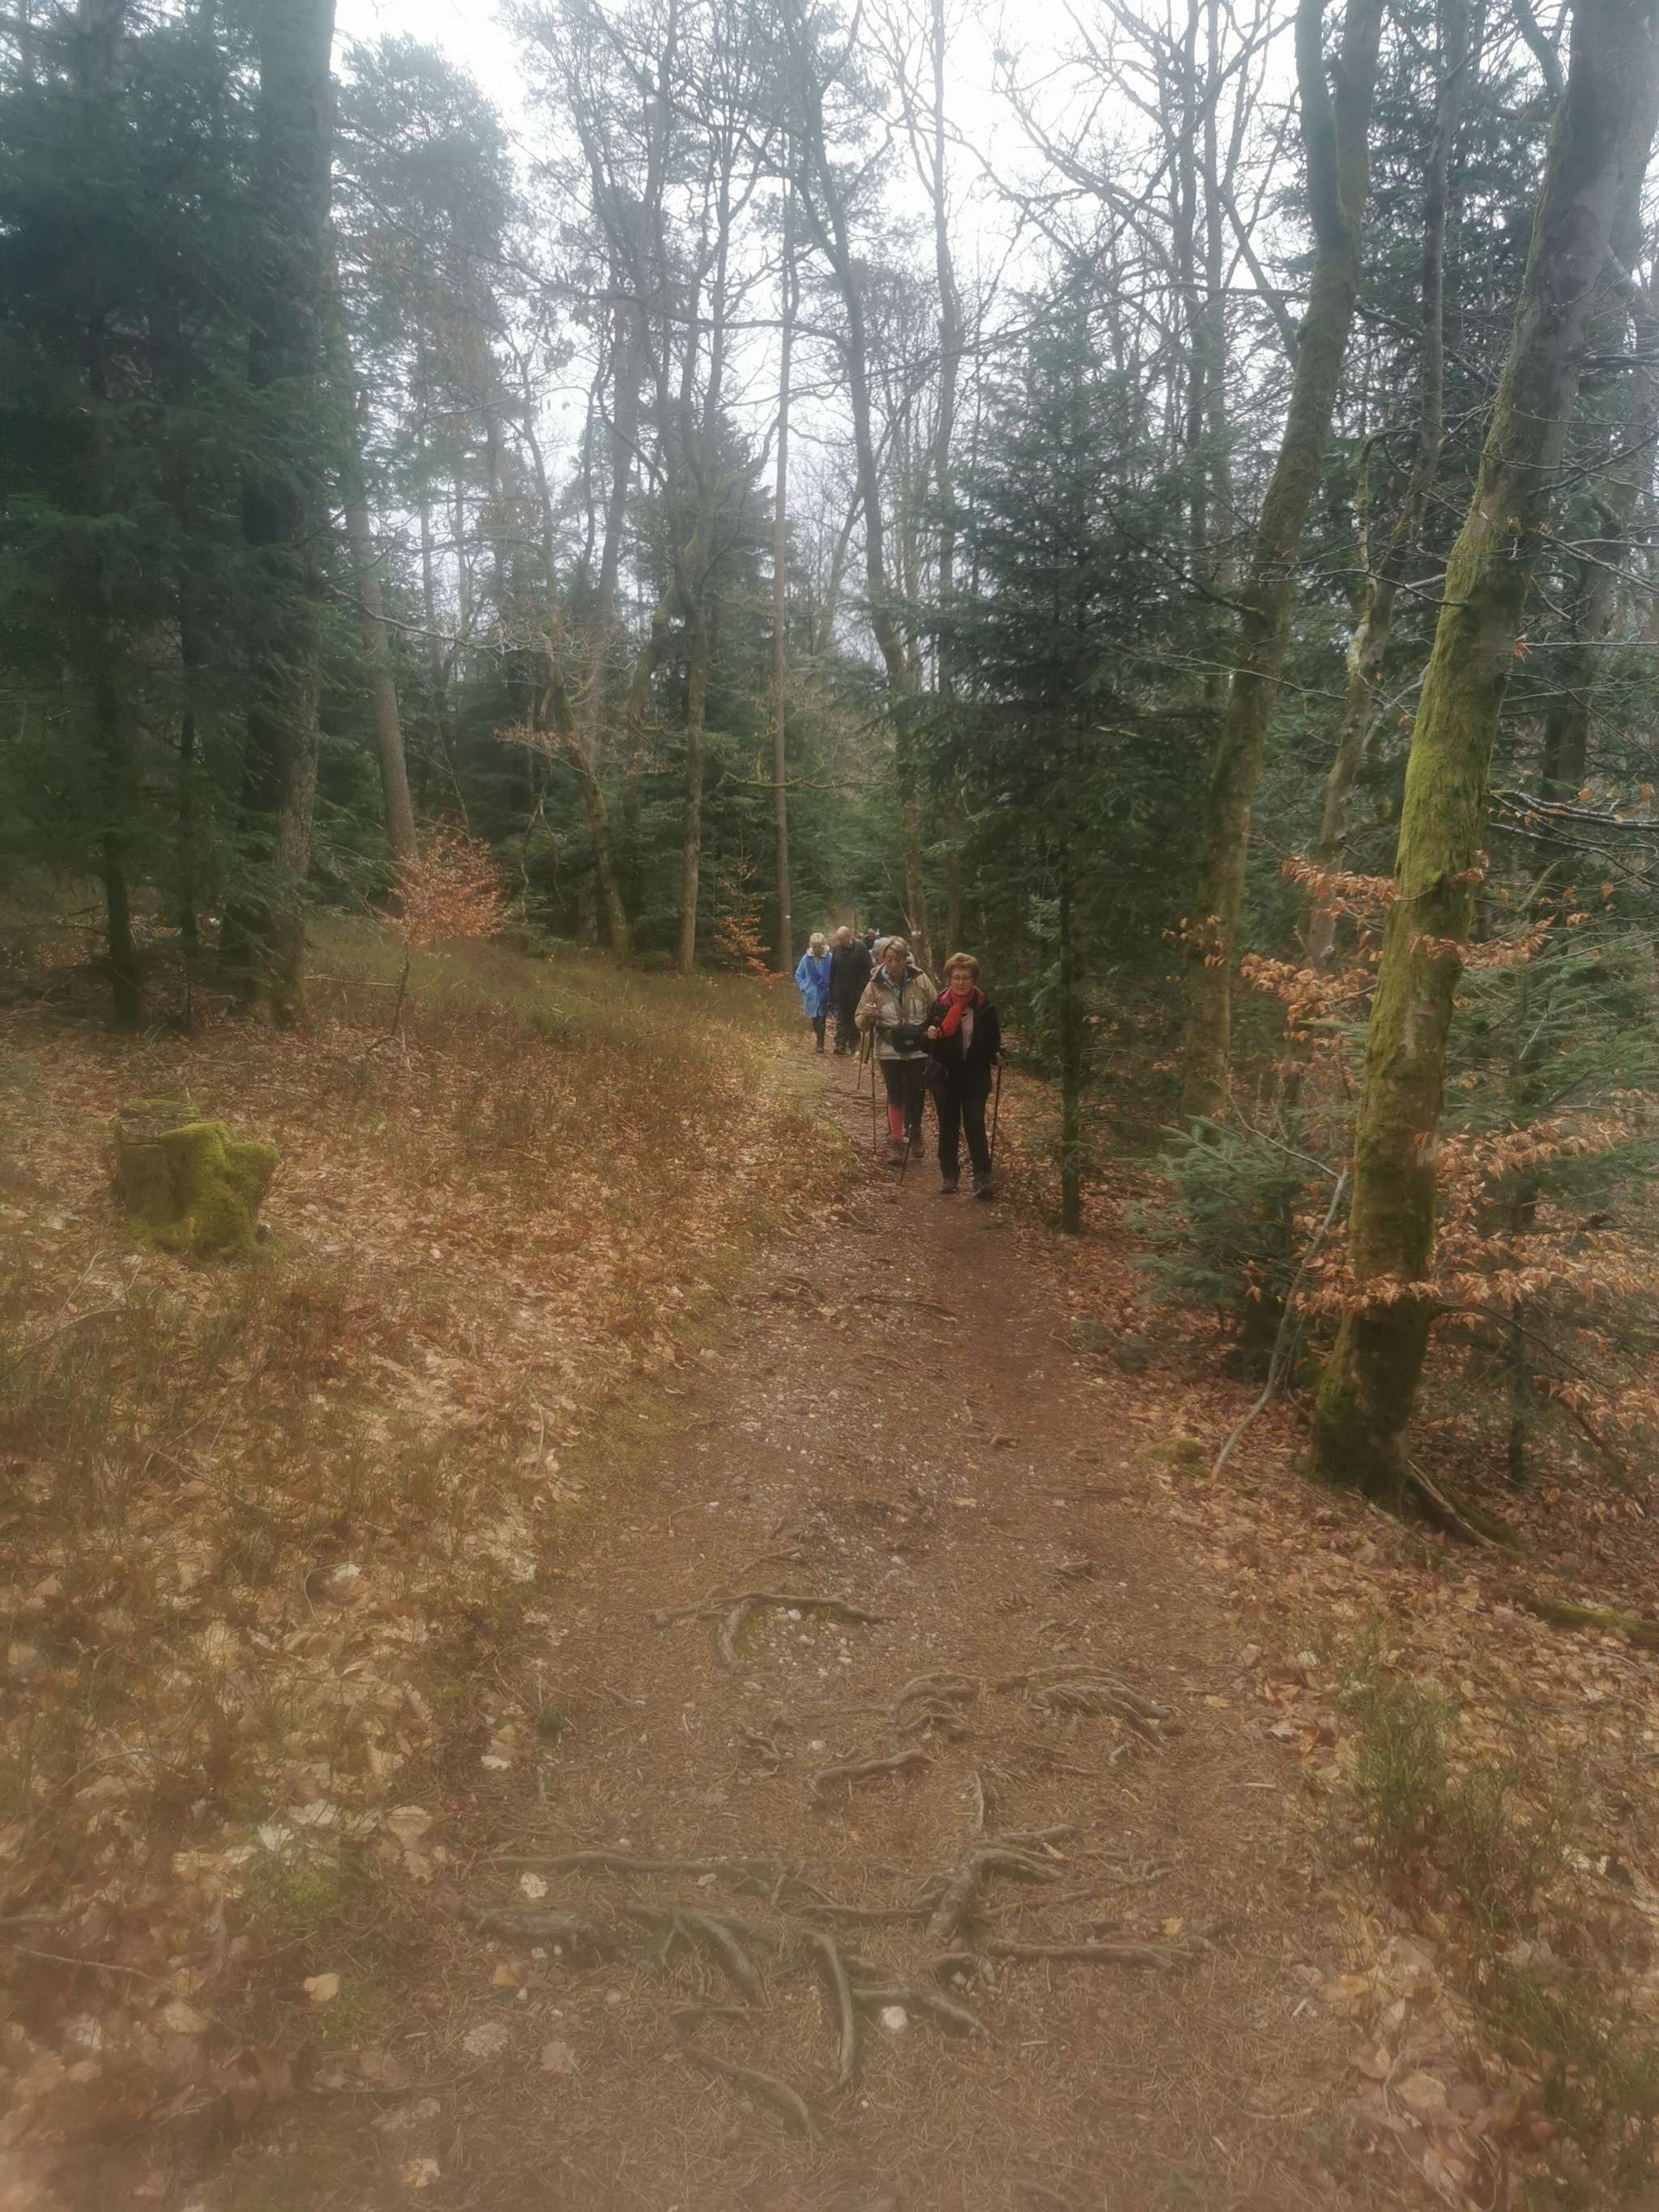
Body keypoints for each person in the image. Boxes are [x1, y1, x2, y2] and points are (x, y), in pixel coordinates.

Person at [924, 951, 1002, 1198]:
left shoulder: (985, 1007)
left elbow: (994, 1042)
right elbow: (925, 1041)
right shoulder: (939, 1006)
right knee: (948, 1125)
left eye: (966, 978)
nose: (960, 982)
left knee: (975, 1124)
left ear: (974, 979)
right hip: (945, 1076)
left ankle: (982, 1177)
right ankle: (949, 1175)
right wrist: (929, 1035)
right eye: (956, 977)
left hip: (975, 1076)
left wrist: (998, 1055)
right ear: (949, 979)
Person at [855, 936, 936, 1164]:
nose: (893, 964)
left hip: (918, 1047)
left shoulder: (920, 980)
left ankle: (915, 1131)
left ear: (905, 959)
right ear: (882, 959)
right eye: (888, 959)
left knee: (916, 1091)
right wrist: (867, 1016)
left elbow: (936, 1006)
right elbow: (859, 1022)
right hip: (888, 1048)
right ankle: (897, 1140)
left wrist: (934, 1028)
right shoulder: (874, 984)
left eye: (898, 959)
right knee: (895, 1092)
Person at [827, 925, 872, 1056]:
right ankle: (840, 1044)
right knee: (841, 1019)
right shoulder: (836, 950)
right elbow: (833, 972)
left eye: (841, 939)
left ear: (848, 936)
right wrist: (832, 991)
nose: (840, 942)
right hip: (840, 992)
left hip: (856, 992)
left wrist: (861, 988)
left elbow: (867, 970)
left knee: (853, 1020)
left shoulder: (861, 948)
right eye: (838, 939)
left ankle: (854, 1044)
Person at [794, 932, 833, 1051]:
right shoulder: (806, 958)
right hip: (810, 993)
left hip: (824, 992)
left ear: (823, 945)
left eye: (819, 946)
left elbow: (835, 974)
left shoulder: (830, 958)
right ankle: (819, 1038)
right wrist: (804, 987)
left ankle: (820, 1045)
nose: (817, 949)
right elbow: (799, 974)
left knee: (822, 1017)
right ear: (812, 946)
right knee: (815, 1019)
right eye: (815, 946)